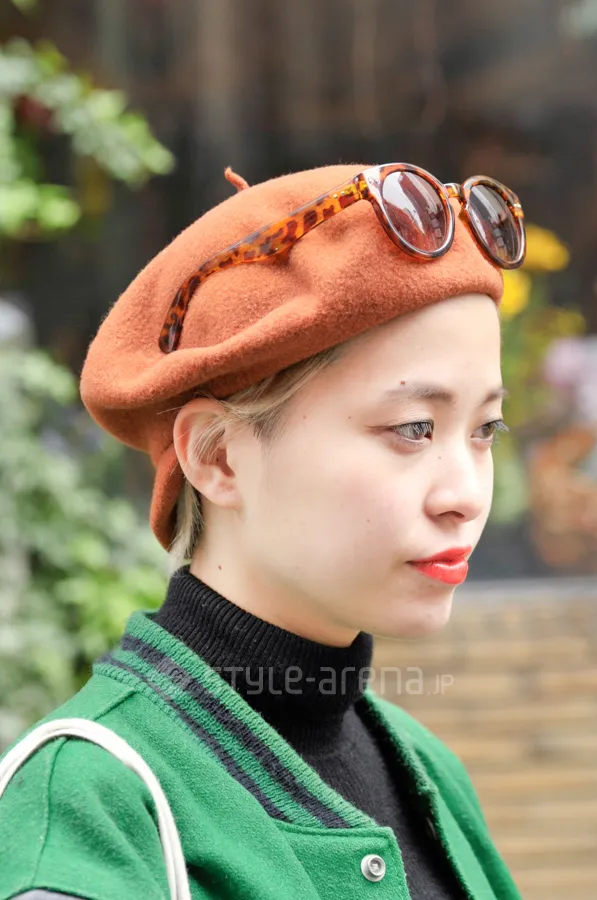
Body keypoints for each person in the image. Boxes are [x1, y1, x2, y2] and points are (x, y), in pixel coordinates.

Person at [0, 162, 526, 900]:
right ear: (217, 456)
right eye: (413, 428)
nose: (466, 496)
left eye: (485, 429)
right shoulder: (95, 804)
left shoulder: (428, 771)